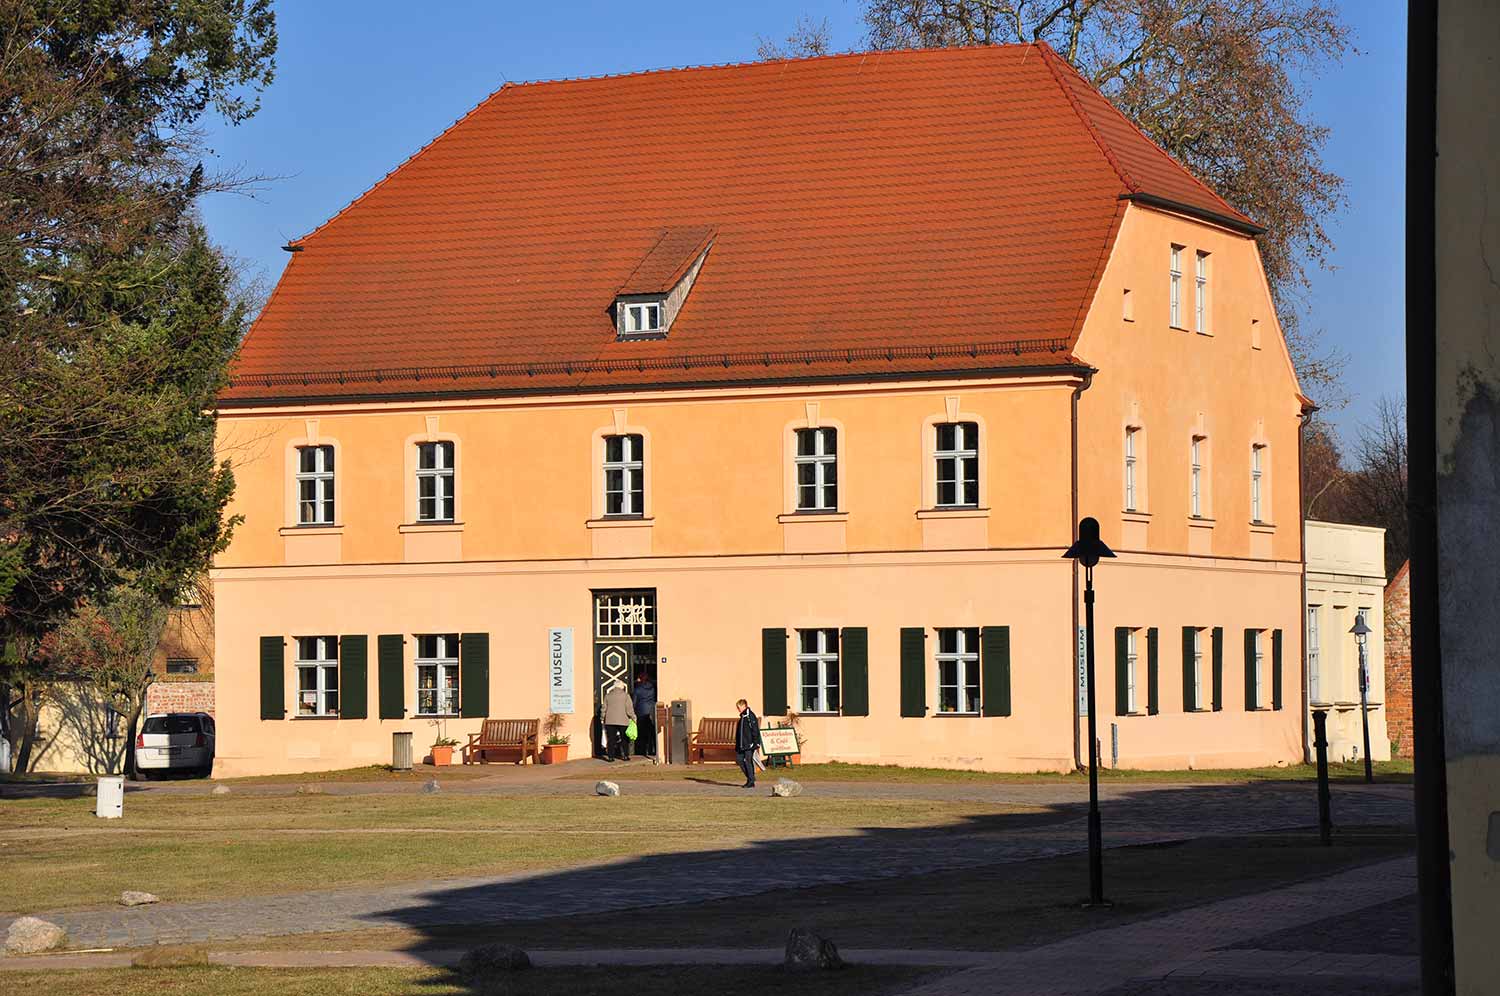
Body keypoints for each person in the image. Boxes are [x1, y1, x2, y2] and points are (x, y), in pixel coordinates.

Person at [601, 683, 634, 763]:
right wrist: (633, 717)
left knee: (611, 739)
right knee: (624, 739)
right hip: (623, 720)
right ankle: (625, 755)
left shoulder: (608, 696)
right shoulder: (626, 696)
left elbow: (604, 708)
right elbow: (629, 709)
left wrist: (602, 718)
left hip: (610, 721)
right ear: (622, 687)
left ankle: (610, 757)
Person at [734, 697, 762, 789]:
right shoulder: (742, 716)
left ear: (744, 706)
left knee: (748, 761)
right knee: (739, 760)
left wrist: (756, 743)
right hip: (741, 744)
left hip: (749, 744)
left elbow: (755, 730)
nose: (738, 709)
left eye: (738, 707)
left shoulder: (750, 716)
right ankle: (751, 778)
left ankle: (750, 781)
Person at [632, 672, 657, 762]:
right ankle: (652, 750)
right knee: (651, 732)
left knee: (642, 733)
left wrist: (633, 712)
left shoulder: (637, 689)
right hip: (651, 712)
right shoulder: (652, 688)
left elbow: (634, 702)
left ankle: (641, 751)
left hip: (641, 712)